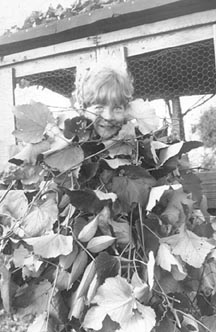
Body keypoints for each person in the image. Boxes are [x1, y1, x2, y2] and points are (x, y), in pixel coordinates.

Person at [75, 59, 134, 140]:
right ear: (83, 109)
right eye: (99, 107)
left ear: (126, 110)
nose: (108, 117)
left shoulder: (136, 146)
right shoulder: (69, 147)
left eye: (117, 108)